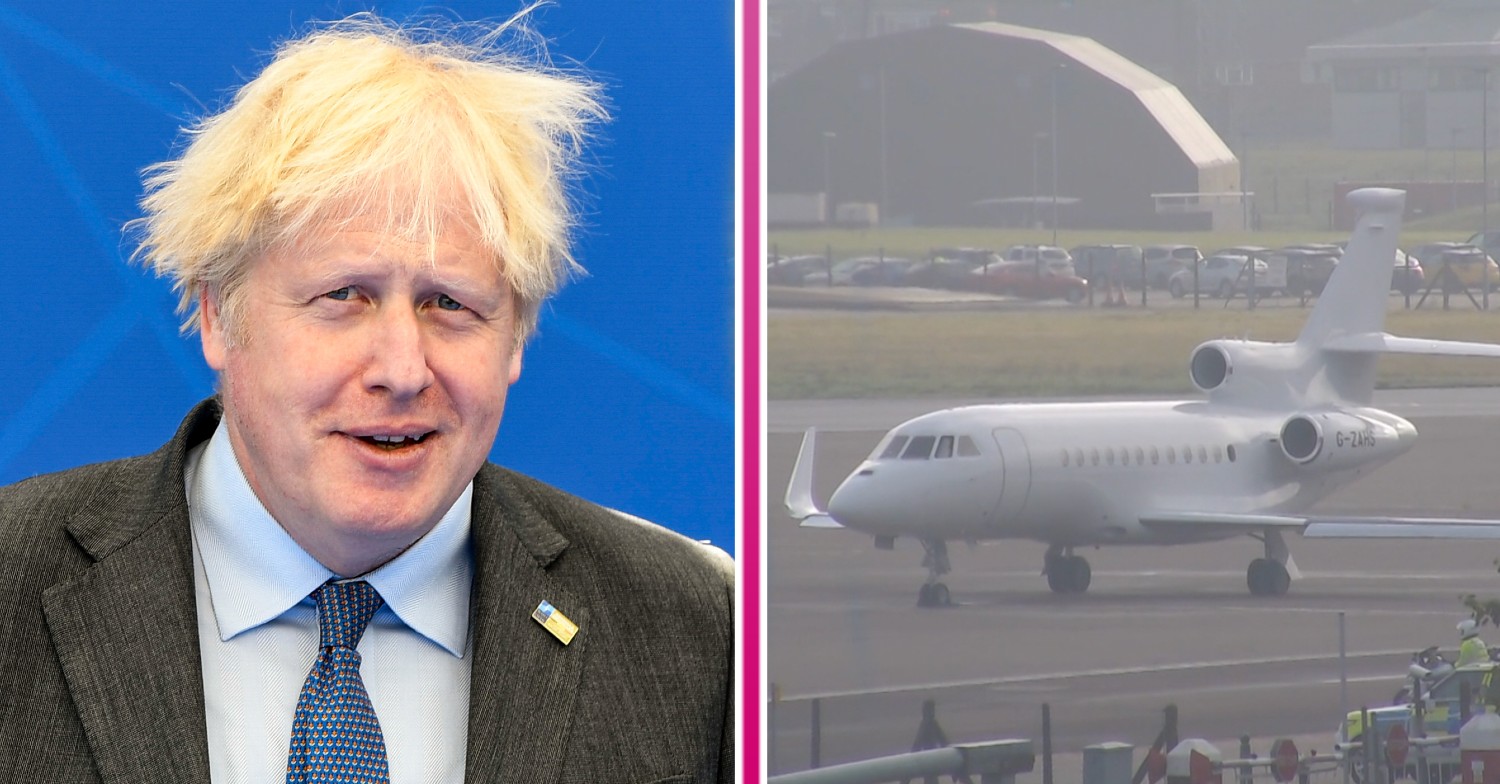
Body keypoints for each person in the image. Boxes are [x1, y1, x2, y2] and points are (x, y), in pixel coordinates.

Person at [0, 13, 733, 783]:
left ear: (515, 337)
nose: (403, 368)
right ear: (219, 313)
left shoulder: (694, 627)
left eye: (450, 304)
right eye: (345, 295)